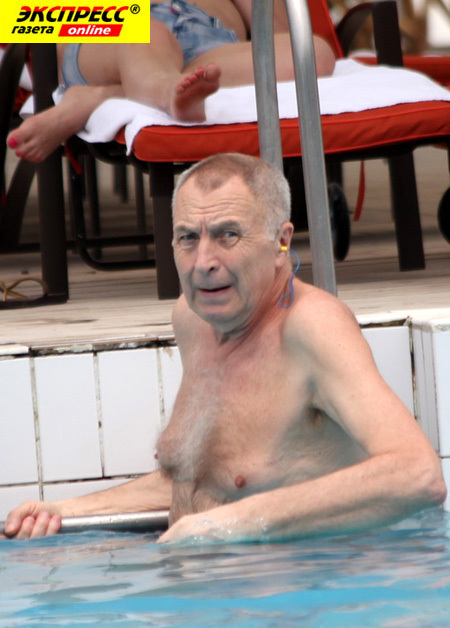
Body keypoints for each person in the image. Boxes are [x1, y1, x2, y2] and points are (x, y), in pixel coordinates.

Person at [3, 152, 446, 543]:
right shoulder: (193, 319)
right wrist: (66, 510)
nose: (203, 263)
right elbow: (203, 478)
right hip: (205, 579)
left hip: (306, 585)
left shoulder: (312, 327)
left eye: (227, 235)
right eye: (187, 238)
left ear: (282, 241)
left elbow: (417, 474)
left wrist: (234, 524)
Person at [6, 0, 336, 162]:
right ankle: (168, 93)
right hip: (111, 32)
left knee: (311, 52)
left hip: (209, 41)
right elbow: (19, 17)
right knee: (147, 33)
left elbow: (278, 33)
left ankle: (107, 95)